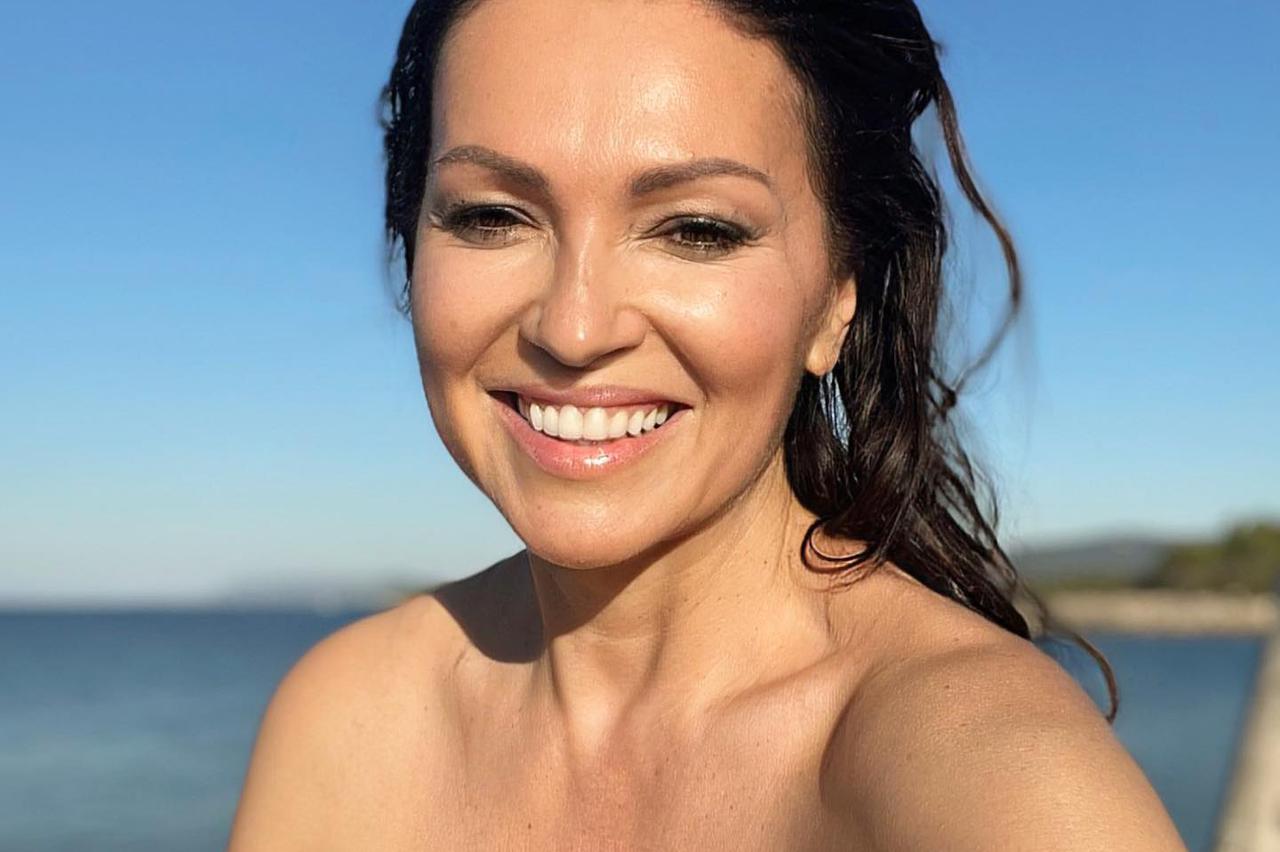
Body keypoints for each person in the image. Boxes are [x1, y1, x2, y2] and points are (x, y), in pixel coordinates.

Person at [229, 0, 1187, 848]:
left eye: (697, 230)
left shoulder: (994, 781)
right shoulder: (344, 722)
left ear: (837, 297)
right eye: (491, 217)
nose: (573, 328)